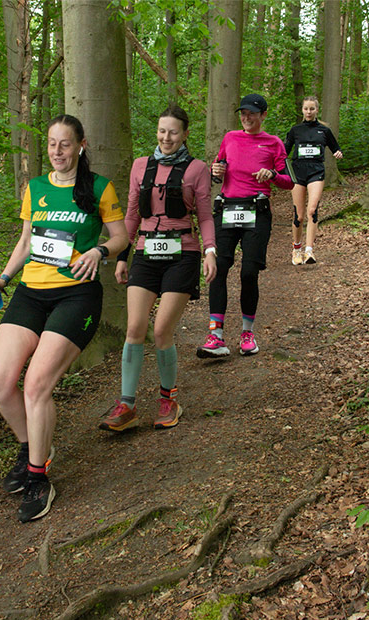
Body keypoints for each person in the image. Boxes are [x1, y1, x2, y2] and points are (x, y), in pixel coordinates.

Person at [0, 114, 129, 523]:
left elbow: (121, 237)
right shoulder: (37, 188)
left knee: (36, 385)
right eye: (51, 144)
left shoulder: (99, 188)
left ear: (81, 145)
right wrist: (4, 278)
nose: (57, 152)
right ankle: (33, 447)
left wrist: (101, 251)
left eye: (65, 144)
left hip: (77, 295)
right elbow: (26, 241)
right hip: (31, 291)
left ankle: (38, 476)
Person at [99, 106, 216, 432]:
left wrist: (211, 251)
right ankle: (127, 405)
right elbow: (132, 215)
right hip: (146, 254)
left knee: (162, 330)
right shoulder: (140, 166)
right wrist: (122, 256)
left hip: (183, 254)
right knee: (135, 328)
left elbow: (205, 216)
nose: (166, 137)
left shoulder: (197, 169)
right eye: (162, 131)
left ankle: (169, 398)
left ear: (185, 134)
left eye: (173, 132)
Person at [198, 93, 293, 359]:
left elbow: (289, 180)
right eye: (243, 113)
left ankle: (247, 333)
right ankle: (215, 335)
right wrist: (217, 171)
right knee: (218, 268)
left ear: (263, 115)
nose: (247, 117)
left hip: (257, 210)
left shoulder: (274, 143)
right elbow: (220, 167)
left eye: (252, 113)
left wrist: (272, 175)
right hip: (228, 209)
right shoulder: (230, 138)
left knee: (249, 272)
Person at [284, 96, 343, 265]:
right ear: (302, 110)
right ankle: (297, 249)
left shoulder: (324, 131)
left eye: (312, 109)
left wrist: (338, 153)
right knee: (299, 215)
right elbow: (283, 153)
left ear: (317, 110)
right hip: (298, 173)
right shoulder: (295, 130)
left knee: (312, 211)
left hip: (316, 172)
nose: (308, 112)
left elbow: (336, 148)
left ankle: (309, 251)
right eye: (306, 109)